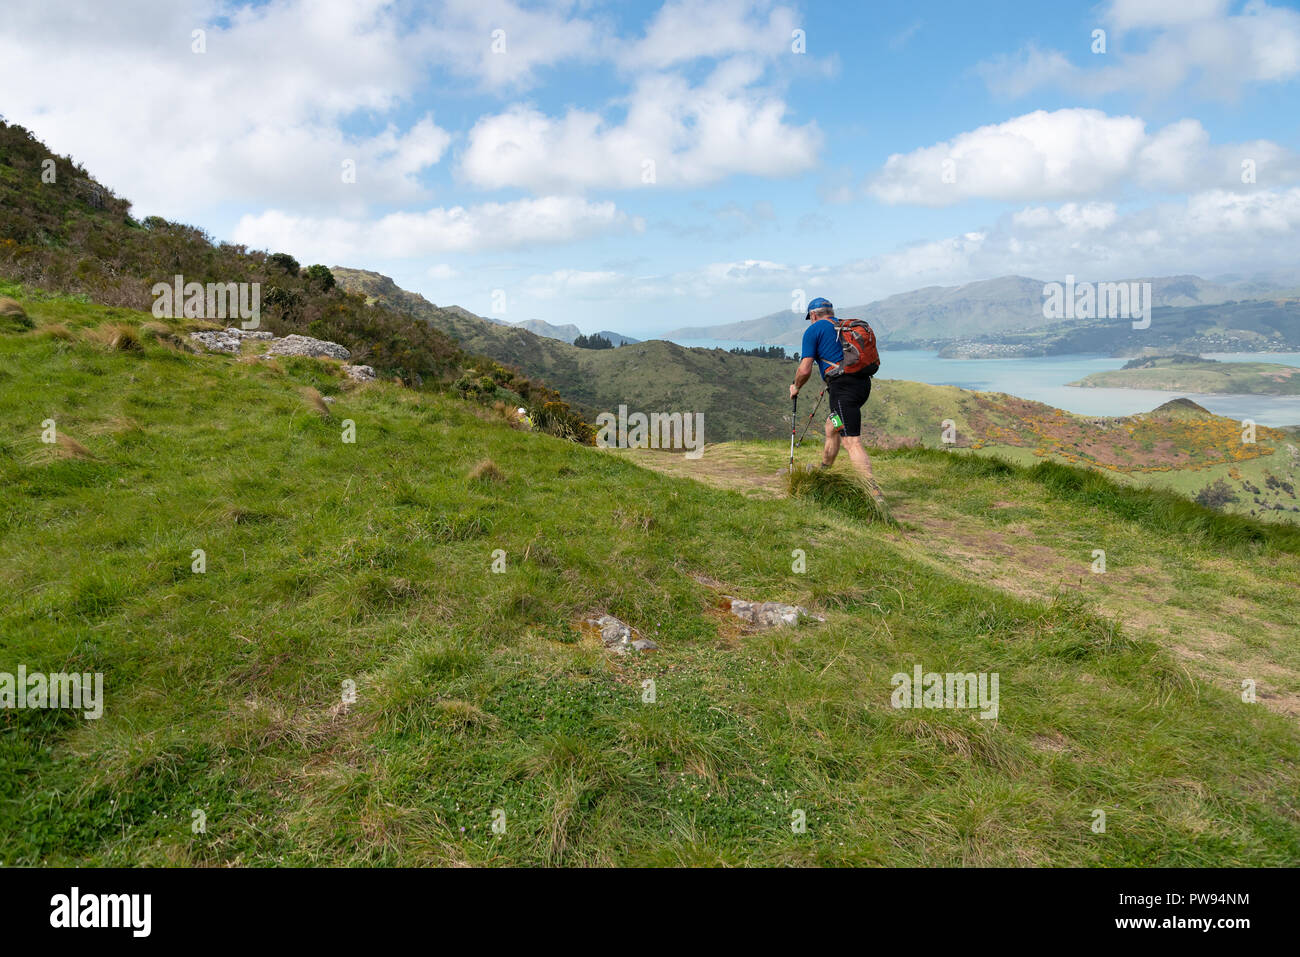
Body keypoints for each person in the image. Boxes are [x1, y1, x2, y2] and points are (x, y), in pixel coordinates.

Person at [789, 296, 880, 486]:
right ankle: (824, 471)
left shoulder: (814, 330)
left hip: (843, 389)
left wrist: (796, 387)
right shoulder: (843, 327)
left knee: (851, 441)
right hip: (862, 385)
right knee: (832, 425)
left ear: (813, 315)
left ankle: (872, 491)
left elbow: (805, 369)